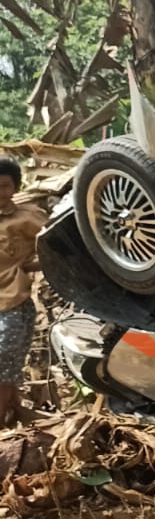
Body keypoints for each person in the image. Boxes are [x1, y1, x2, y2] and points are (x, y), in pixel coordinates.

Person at [0, 157, 45, 426]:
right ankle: (12, 414)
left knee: (3, 364)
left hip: (12, 302)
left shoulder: (29, 217)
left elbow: (58, 247)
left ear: (15, 187)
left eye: (4, 186)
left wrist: (31, 265)